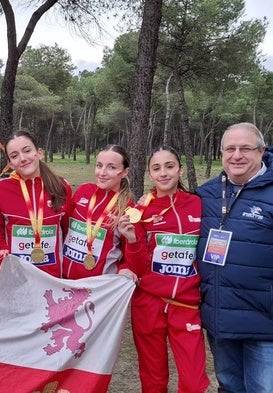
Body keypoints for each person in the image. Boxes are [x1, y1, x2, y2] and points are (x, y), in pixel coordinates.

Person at [118, 146, 209, 393]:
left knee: (193, 382)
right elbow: (135, 267)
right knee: (153, 379)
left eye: (169, 166)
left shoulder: (198, 204)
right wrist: (133, 241)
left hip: (186, 305)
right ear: (149, 173)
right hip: (149, 303)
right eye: (156, 168)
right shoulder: (138, 212)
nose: (163, 173)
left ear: (180, 169)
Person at [196, 122, 273, 392]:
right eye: (230, 148)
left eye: (245, 148)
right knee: (228, 386)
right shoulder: (206, 194)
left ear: (262, 151)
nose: (236, 155)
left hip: (265, 323)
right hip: (220, 319)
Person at [0, 130, 73, 277]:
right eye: (14, 156)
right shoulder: (0, 189)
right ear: (10, 163)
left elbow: (67, 230)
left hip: (53, 278)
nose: (22, 159)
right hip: (16, 277)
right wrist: (1, 247)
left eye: (27, 151)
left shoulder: (62, 186)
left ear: (39, 153)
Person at [61, 144, 134, 279]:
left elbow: (131, 252)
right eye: (99, 165)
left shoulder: (128, 208)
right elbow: (64, 226)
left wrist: (126, 268)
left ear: (125, 172)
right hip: (64, 281)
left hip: (99, 288)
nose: (102, 173)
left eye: (111, 167)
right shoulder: (84, 190)